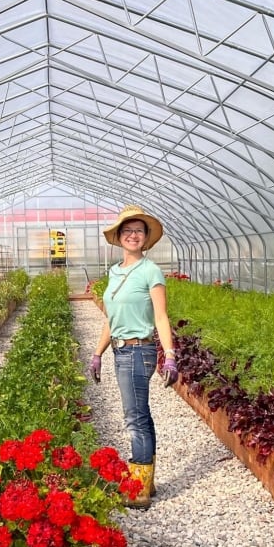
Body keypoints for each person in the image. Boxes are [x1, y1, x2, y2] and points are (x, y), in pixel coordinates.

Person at [88, 205, 178, 509]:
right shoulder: (114, 272)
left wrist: (170, 355)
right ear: (119, 236)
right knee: (141, 413)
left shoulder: (151, 271)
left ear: (146, 237)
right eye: (127, 230)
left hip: (139, 350)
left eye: (139, 230)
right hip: (120, 349)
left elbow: (162, 317)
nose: (133, 235)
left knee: (134, 418)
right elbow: (110, 319)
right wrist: (97, 353)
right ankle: (146, 482)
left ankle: (138, 488)